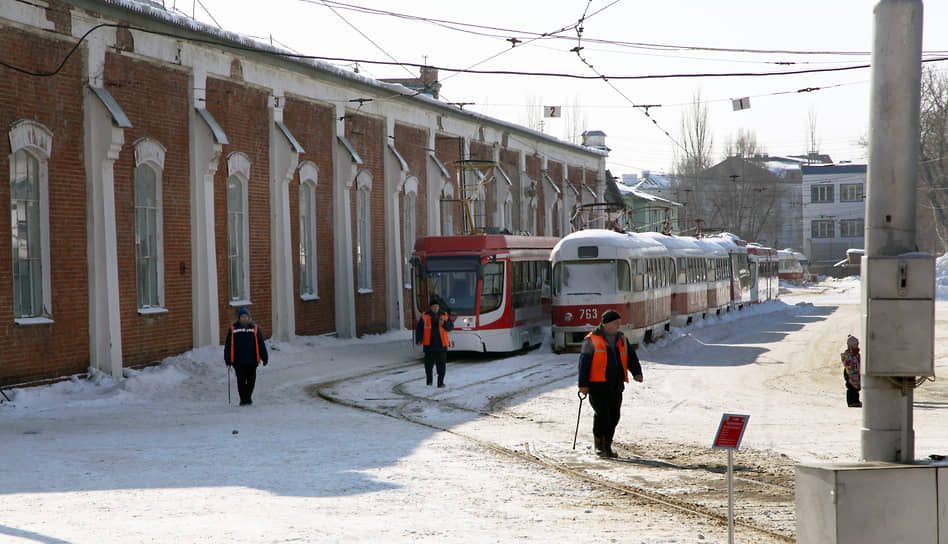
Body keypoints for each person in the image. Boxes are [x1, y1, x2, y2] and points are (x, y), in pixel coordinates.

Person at [578, 310, 644, 458]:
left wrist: (637, 373)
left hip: (616, 385)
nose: (618, 325)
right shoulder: (591, 339)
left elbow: (631, 357)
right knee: (602, 415)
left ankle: (607, 445)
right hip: (597, 386)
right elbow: (584, 363)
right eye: (616, 323)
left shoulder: (622, 338)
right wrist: (583, 384)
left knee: (614, 416)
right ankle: (599, 445)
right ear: (606, 324)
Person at [224, 307, 268, 405]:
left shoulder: (255, 328)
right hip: (238, 361)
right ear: (239, 318)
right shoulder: (233, 329)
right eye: (242, 316)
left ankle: (248, 397)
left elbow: (261, 344)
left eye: (246, 316)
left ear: (249, 317)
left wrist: (264, 357)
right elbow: (228, 346)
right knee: (241, 381)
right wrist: (228, 360)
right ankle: (243, 400)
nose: (244, 318)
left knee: (251, 381)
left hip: (252, 361)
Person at [415, 297, 454, 387]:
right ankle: (429, 382)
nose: (435, 308)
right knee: (428, 366)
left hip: (441, 345)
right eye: (433, 307)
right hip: (429, 345)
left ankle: (440, 383)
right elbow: (419, 329)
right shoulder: (425, 316)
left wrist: (444, 323)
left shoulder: (444, 315)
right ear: (430, 307)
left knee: (441, 366)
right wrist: (419, 339)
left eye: (437, 306)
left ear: (439, 307)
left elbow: (451, 327)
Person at [842, 334, 861, 408]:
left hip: (856, 373)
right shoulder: (848, 354)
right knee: (851, 387)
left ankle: (856, 400)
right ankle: (851, 401)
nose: (857, 347)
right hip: (849, 373)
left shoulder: (856, 354)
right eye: (855, 345)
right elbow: (846, 362)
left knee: (856, 387)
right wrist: (850, 365)